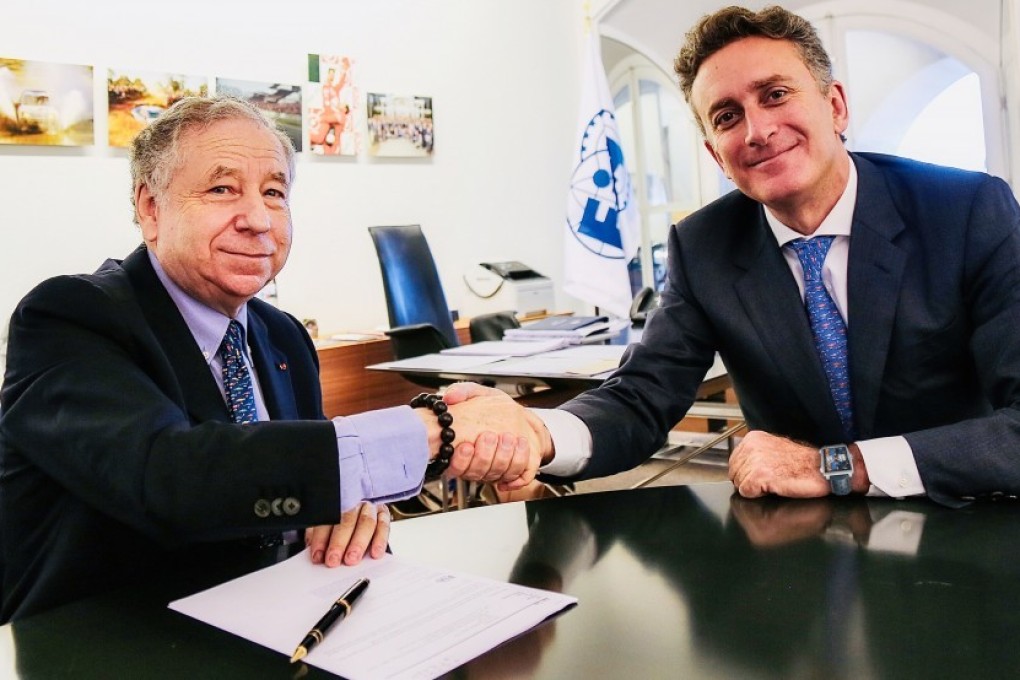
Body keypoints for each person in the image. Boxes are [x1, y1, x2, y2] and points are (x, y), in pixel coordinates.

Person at [450, 4, 1020, 507]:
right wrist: (536, 432)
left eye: (775, 94)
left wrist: (841, 466)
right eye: (727, 116)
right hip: (798, 549)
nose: (757, 130)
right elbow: (643, 396)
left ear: (837, 106)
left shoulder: (967, 210)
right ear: (715, 154)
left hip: (957, 515)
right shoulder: (703, 246)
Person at [0, 96, 540, 622]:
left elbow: (288, 471)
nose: (258, 219)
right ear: (150, 207)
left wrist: (346, 504)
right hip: (108, 641)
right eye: (221, 188)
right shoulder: (70, 317)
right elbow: (170, 476)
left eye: (275, 192)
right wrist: (434, 429)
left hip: (275, 620)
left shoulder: (282, 336)